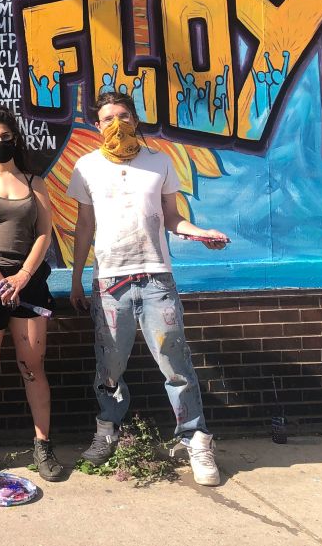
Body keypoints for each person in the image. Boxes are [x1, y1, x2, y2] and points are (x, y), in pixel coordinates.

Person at [68, 91, 229, 487]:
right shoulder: (86, 167)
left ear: (135, 119)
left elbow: (172, 218)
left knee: (175, 364)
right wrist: (76, 278)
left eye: (123, 115)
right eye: (107, 118)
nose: (116, 123)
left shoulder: (159, 162)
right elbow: (84, 227)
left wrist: (200, 232)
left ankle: (195, 439)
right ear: (96, 124)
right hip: (109, 283)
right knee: (110, 365)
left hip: (157, 278)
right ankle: (108, 429)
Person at [0, 106, 65, 482]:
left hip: (30, 283)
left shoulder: (35, 182)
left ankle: (42, 445)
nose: (0, 143)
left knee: (32, 367)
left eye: (7, 137)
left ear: (14, 138)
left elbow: (44, 234)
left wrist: (21, 277)